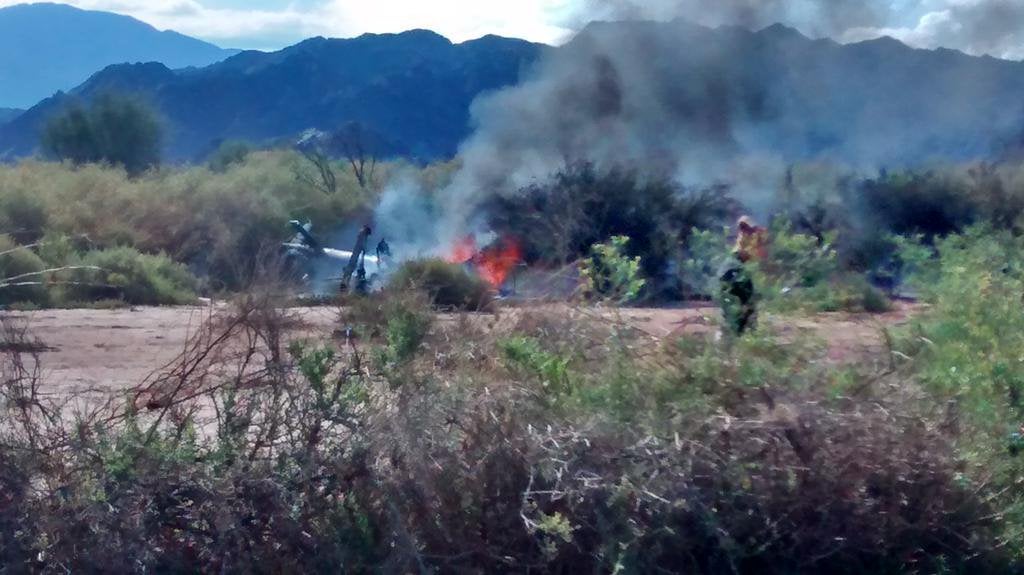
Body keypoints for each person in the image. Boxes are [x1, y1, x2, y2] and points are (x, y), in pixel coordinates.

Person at [719, 216, 767, 336]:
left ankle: (739, 333)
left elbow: (762, 255)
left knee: (744, 302)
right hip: (733, 267)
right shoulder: (745, 235)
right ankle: (744, 333)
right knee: (745, 302)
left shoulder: (754, 238)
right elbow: (742, 222)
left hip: (732, 268)